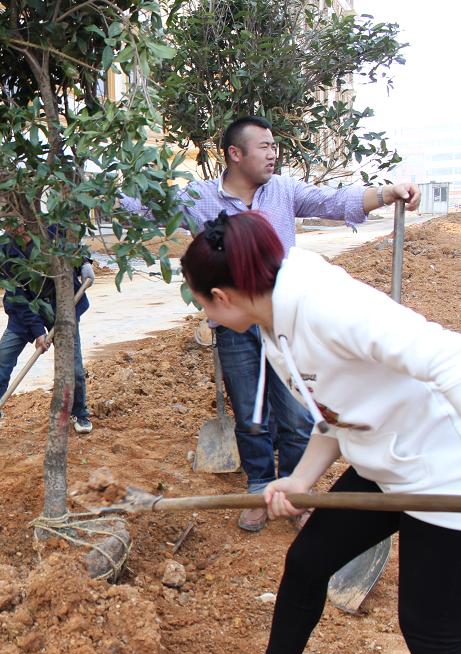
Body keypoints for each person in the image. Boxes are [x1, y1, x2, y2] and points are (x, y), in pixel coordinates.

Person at [180, 210, 461, 654]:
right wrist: (300, 479)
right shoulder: (273, 325)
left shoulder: (328, 306)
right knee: (307, 563)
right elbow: (333, 410)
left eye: (202, 303)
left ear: (222, 297)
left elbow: (449, 359)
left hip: (441, 471)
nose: (206, 315)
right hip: (384, 465)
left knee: (429, 628)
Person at [122, 115, 421, 532]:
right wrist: (95, 190)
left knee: (297, 414)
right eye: (264, 146)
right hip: (236, 326)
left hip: (285, 320)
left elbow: (334, 202)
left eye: (274, 145)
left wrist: (388, 192)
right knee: (249, 412)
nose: (273, 153)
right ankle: (260, 486)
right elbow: (145, 206)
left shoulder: (284, 192)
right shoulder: (200, 197)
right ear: (235, 153)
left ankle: (297, 494)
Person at [0, 227, 94, 442]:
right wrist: (38, 332)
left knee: (73, 366)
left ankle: (79, 413)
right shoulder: (5, 247)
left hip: (63, 306)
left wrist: (85, 263)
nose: (11, 225)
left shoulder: (51, 230)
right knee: (2, 360)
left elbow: (74, 245)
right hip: (25, 311)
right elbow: (17, 295)